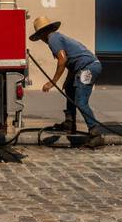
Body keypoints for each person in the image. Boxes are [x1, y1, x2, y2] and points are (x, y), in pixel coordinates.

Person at [29, 15, 107, 149]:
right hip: (84, 68)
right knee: (69, 88)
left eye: (40, 34)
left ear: (43, 32)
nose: (41, 38)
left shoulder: (53, 39)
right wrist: (67, 80)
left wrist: (52, 82)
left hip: (88, 68)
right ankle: (70, 123)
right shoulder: (56, 38)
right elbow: (72, 62)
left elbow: (63, 60)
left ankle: (96, 134)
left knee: (81, 101)